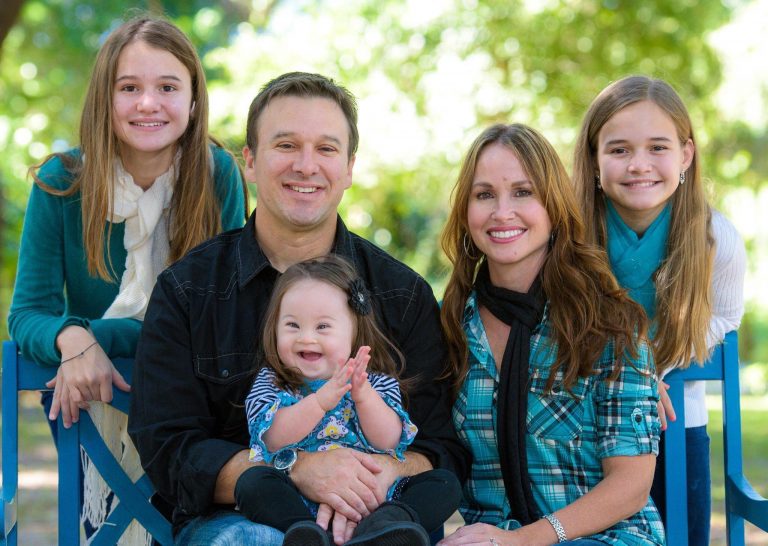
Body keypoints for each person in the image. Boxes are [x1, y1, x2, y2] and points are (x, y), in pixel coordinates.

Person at [128, 72, 468, 546]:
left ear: (348, 168)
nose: (306, 166)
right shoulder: (189, 290)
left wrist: (371, 478)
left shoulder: (402, 294)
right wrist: (294, 469)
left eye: (326, 149)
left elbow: (441, 447)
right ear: (250, 161)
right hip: (238, 522)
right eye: (286, 145)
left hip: (380, 519)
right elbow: (169, 446)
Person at [8, 14, 246, 541]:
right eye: (129, 87)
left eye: (168, 87)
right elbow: (26, 314)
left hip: (195, 417)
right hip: (91, 414)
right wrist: (70, 339)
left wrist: (92, 335)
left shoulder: (217, 175)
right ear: (105, 98)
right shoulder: (63, 182)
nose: (148, 103)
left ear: (193, 99)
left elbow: (216, 322)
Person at [437, 123, 665, 545]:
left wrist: (526, 539)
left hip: (608, 537)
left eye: (523, 192)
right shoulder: (450, 325)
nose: (502, 211)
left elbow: (631, 485)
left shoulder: (609, 324)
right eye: (484, 194)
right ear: (466, 213)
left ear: (553, 207)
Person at [572, 75, 746, 545]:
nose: (639, 165)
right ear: (593, 158)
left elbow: (724, 316)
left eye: (657, 147)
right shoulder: (568, 236)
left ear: (685, 155)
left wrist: (654, 370)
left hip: (674, 421)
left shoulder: (715, 239)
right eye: (619, 149)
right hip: (579, 427)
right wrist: (628, 377)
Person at [237, 255, 461, 546]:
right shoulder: (273, 382)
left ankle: (387, 526)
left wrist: (363, 396)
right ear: (274, 328)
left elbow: (389, 441)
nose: (306, 338)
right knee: (252, 483)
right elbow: (273, 439)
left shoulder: (375, 382)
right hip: (299, 495)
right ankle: (306, 534)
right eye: (292, 325)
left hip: (374, 497)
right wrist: (320, 402)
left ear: (354, 332)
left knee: (445, 484)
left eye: (322, 327)